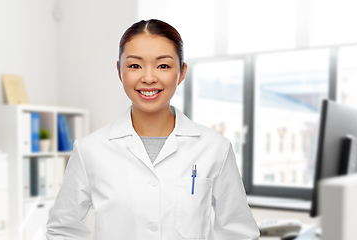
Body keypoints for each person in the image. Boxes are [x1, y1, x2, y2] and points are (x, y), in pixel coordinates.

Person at [46, 19, 260, 240]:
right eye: (135, 65)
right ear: (119, 71)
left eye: (163, 66)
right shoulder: (90, 150)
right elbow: (62, 230)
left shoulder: (215, 147)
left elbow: (239, 232)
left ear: (182, 72)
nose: (148, 78)